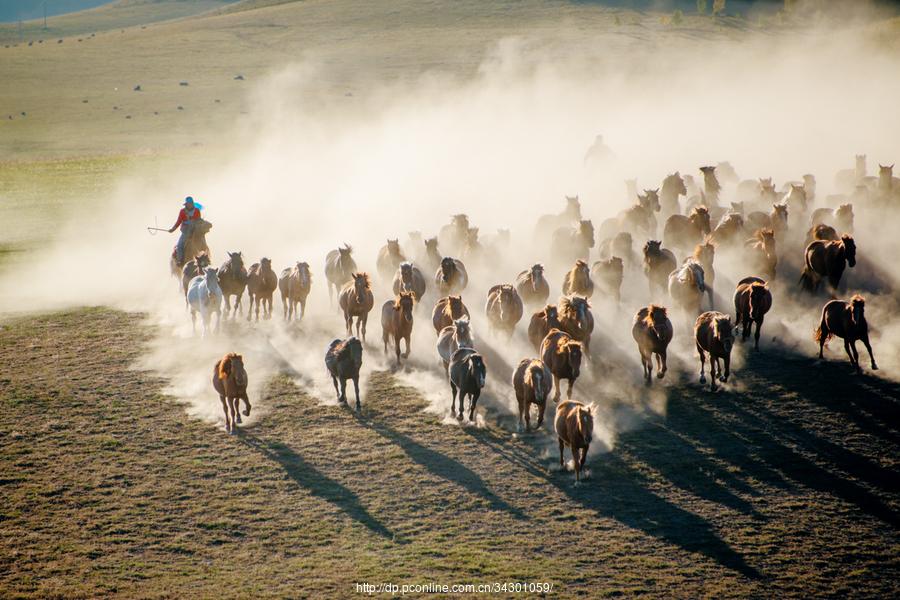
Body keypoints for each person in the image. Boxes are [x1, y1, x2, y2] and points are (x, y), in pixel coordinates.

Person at [169, 196, 202, 264]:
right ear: (186, 204)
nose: (190, 205)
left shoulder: (197, 210)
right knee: (180, 245)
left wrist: (192, 220)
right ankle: (180, 260)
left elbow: (198, 220)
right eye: (188, 203)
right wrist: (173, 229)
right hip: (186, 231)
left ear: (193, 203)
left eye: (191, 203)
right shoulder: (182, 211)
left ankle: (206, 257)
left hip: (195, 230)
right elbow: (179, 221)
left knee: (202, 242)